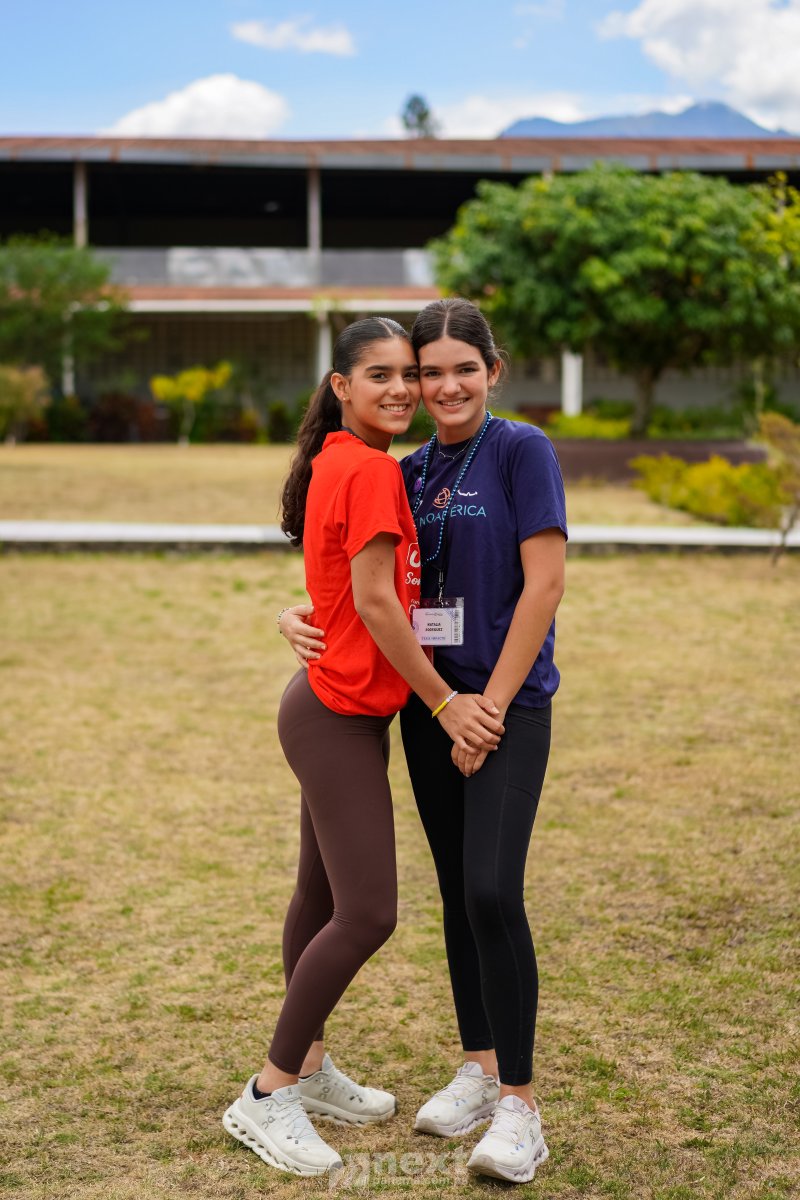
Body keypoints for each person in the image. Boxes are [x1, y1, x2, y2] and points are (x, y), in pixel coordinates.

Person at [280, 298, 567, 1184]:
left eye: (458, 369)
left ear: (493, 371)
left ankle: (519, 1107)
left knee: (492, 890)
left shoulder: (522, 451)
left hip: (501, 707)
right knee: (455, 891)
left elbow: (544, 586)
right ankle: (478, 1068)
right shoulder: (404, 470)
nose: (439, 387)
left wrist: (485, 707)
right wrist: (296, 614)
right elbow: (371, 579)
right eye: (423, 371)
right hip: (430, 710)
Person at [222, 315, 504, 1179]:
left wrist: (299, 615)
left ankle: (307, 1068)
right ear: (341, 386)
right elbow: (377, 603)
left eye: (407, 375)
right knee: (368, 912)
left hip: (334, 709)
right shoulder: (371, 468)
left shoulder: (343, 459)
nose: (402, 389)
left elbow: (345, 592)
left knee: (318, 896)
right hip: (336, 715)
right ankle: (268, 1092)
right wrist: (444, 701)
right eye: (379, 375)